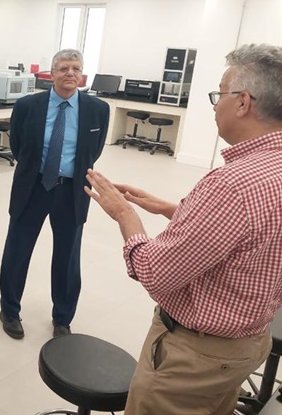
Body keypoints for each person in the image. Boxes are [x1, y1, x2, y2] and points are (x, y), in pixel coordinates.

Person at [85, 43, 282, 414]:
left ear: (243, 102)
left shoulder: (232, 185)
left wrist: (124, 215)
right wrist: (171, 209)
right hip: (247, 345)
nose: (214, 106)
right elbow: (257, 233)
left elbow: (155, 273)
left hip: (197, 358)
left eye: (219, 94)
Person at [0, 49, 110, 340]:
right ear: (52, 74)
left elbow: (93, 151)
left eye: (76, 68)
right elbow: (18, 146)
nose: (70, 73)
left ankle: (62, 318)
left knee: (67, 257)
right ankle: (9, 310)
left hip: (72, 191)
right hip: (33, 188)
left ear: (82, 74)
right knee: (17, 250)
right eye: (63, 68)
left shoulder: (98, 109)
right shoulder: (27, 106)